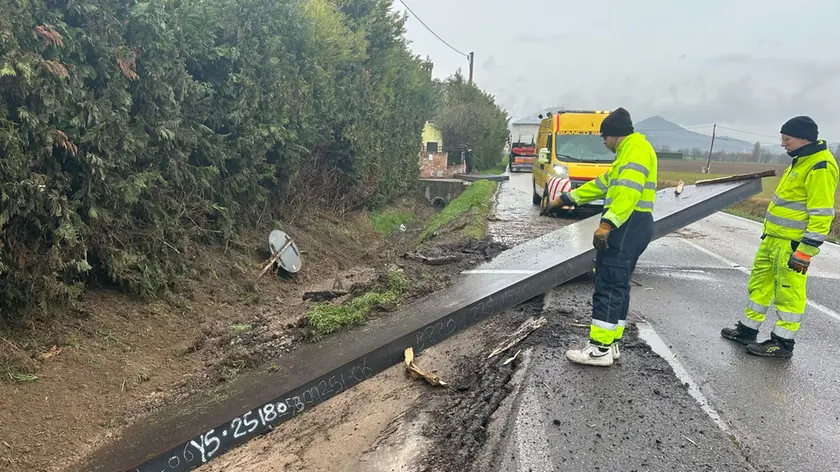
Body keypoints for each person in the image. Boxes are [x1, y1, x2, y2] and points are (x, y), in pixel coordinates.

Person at [542, 107, 658, 366]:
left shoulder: (635, 150)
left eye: (604, 136)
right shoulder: (631, 150)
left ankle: (599, 350)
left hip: (626, 224)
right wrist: (566, 198)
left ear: (615, 134)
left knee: (608, 284)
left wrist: (607, 223)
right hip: (635, 225)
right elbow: (603, 184)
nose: (603, 141)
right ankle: (612, 344)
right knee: (619, 285)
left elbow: (628, 191)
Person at [721, 116, 838, 358]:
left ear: (804, 138)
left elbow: (822, 213)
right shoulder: (800, 161)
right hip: (773, 239)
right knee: (759, 286)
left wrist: (805, 251)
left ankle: (782, 343)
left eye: (787, 139)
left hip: (793, 245)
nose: (783, 144)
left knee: (789, 293)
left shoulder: (820, 166)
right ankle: (747, 330)